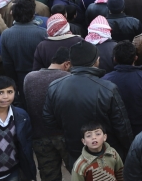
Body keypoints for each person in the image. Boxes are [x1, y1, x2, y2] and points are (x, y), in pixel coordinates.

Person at [43, 41, 134, 170]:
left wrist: (71, 132)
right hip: (106, 152)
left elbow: (49, 120)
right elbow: (121, 126)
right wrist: (128, 148)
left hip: (75, 151)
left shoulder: (55, 86)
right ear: (96, 60)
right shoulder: (107, 88)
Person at [23, 47, 76, 181]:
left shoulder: (29, 78)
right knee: (77, 173)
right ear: (67, 64)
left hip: (39, 137)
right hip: (64, 136)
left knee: (51, 177)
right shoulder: (68, 78)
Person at [0, 0, 47, 96]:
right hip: (41, 78)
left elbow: (7, 64)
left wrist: (14, 83)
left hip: (20, 80)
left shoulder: (6, 35)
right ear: (33, 13)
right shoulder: (43, 33)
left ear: (12, 14)